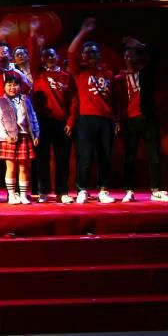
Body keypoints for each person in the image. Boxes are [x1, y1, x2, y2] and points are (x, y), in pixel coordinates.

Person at [68, 18, 121, 204]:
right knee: (85, 155)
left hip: (106, 119)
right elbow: (71, 52)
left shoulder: (109, 74)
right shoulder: (79, 71)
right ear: (83, 55)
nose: (91, 55)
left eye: (94, 52)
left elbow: (115, 100)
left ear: (99, 55)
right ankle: (82, 189)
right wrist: (83, 32)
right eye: (87, 52)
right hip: (86, 118)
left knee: (105, 156)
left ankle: (103, 190)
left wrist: (116, 120)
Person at [118, 37, 168, 202]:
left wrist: (139, 45)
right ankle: (129, 190)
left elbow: (156, 54)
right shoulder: (120, 77)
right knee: (129, 156)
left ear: (138, 57)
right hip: (129, 120)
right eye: (126, 55)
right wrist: (117, 120)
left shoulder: (146, 72)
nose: (129, 58)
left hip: (147, 117)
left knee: (154, 154)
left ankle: (156, 190)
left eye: (132, 55)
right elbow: (115, 100)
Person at [31, 38, 76, 203]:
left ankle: (62, 192)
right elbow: (33, 57)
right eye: (46, 56)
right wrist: (34, 38)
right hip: (42, 121)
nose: (49, 58)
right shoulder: (39, 73)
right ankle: (43, 192)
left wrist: (70, 122)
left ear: (57, 57)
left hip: (61, 122)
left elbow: (74, 101)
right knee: (42, 158)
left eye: (52, 55)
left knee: (62, 158)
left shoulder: (66, 77)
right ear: (42, 59)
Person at [0, 74, 40, 205]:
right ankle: (12, 195)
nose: (12, 88)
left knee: (24, 167)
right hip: (9, 137)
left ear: (20, 86)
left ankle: (23, 195)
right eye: (9, 85)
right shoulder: (1, 101)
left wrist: (36, 134)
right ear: (4, 87)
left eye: (15, 85)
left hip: (24, 135)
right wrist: (5, 135)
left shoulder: (26, 100)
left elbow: (33, 117)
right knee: (11, 167)